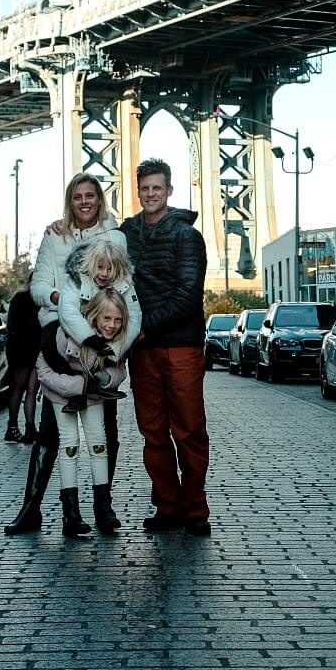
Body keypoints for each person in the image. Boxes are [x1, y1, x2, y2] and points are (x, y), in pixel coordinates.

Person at [2, 172, 127, 536]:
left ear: (99, 200)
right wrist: (58, 298)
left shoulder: (112, 236)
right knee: (51, 431)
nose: (84, 202)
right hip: (60, 340)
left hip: (100, 338)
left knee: (106, 429)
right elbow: (39, 285)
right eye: (77, 197)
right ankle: (36, 509)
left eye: (90, 196)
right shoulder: (54, 236)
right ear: (70, 201)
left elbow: (122, 281)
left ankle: (103, 508)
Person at [121, 157, 211, 537]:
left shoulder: (187, 236)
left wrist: (142, 330)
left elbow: (187, 296)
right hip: (143, 352)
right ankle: (167, 506)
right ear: (138, 191)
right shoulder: (125, 233)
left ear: (169, 191)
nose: (151, 194)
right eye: (145, 188)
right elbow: (87, 249)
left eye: (157, 187)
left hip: (180, 347)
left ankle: (194, 509)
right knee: (153, 433)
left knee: (188, 430)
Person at [36, 287, 133, 537]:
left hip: (93, 394)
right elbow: (43, 367)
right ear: (94, 316)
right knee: (69, 444)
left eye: (117, 320)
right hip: (62, 393)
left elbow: (120, 370)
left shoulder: (116, 341)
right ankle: (70, 515)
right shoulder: (66, 334)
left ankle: (104, 508)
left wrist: (104, 379)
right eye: (107, 319)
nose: (111, 325)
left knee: (98, 443)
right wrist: (79, 386)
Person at [3, 273, 40, 444]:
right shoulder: (20, 298)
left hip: (36, 351)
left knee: (31, 389)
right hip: (21, 351)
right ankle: (12, 427)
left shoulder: (42, 300)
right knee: (18, 388)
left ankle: (30, 428)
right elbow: (13, 327)